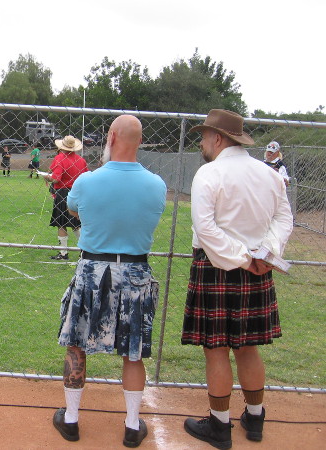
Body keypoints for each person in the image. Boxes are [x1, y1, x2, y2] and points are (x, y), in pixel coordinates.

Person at [52, 115, 166, 447]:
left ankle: (71, 420)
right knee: (133, 352)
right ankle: (132, 426)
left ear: (111, 137)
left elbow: (74, 210)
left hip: (92, 268)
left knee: (77, 342)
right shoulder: (156, 185)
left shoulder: (87, 181)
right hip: (135, 272)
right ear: (139, 142)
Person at [182, 110, 293, 449]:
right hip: (258, 268)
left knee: (216, 350)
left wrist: (245, 258)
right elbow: (284, 218)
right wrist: (264, 254)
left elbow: (207, 229)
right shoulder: (269, 174)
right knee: (248, 348)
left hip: (217, 267)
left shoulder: (209, 173)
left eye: (204, 136)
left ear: (218, 138)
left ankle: (219, 426)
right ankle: (255, 418)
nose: (201, 142)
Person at [41, 136, 88, 260]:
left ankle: (63, 253)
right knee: (76, 223)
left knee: (61, 223)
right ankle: (84, 251)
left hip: (63, 192)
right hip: (78, 192)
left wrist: (46, 177)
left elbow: (56, 178)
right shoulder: (81, 160)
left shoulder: (60, 158)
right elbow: (86, 177)